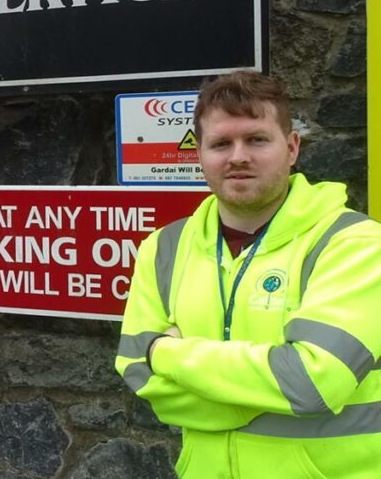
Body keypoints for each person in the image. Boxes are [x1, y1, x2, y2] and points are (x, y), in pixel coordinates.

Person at [115, 70, 381, 478]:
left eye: (257, 139)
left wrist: (165, 353)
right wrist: (269, 386)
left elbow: (312, 384)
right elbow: (138, 373)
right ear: (199, 155)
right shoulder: (163, 249)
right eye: (221, 143)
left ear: (291, 148)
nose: (238, 156)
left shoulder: (355, 244)